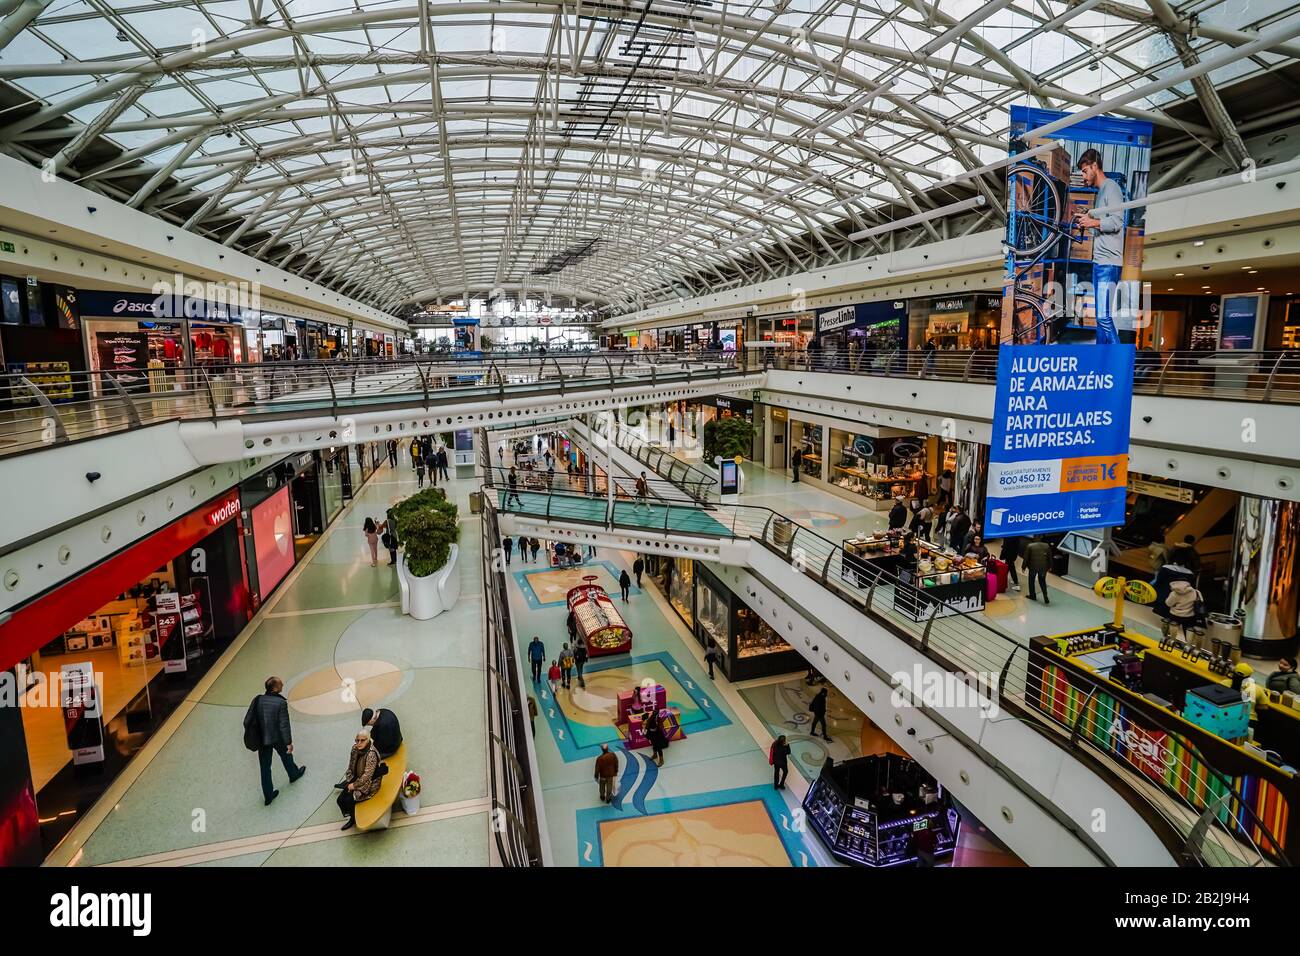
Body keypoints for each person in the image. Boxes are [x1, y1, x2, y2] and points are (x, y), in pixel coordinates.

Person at [1073, 148, 1126, 345]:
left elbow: (1117, 222)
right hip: (1100, 263)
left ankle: (1118, 360)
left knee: (1104, 317)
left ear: (1095, 166)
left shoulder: (1111, 187)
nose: (1084, 177)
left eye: (1085, 171)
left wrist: (1093, 222)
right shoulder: (1101, 192)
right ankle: (1102, 362)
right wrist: (1087, 223)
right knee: (1100, 319)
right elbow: (1102, 230)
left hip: (1108, 264)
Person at [246, 676, 306, 806]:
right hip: (276, 738)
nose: (283, 684)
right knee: (286, 756)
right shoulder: (280, 703)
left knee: (265, 768)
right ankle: (293, 774)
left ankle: (268, 796)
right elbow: (284, 725)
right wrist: (288, 742)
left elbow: (247, 720)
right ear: (275, 688)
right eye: (280, 684)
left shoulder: (258, 699)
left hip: (262, 739)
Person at [336, 729, 381, 831]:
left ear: (368, 740)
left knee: (348, 800)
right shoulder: (355, 749)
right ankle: (352, 814)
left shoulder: (371, 754)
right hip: (356, 779)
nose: (359, 743)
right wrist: (349, 780)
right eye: (357, 740)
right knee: (340, 800)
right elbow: (351, 766)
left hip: (369, 783)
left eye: (362, 740)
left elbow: (367, 776)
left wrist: (354, 785)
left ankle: (353, 819)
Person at [1023, 535, 1054, 605]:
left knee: (1031, 581)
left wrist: (1023, 567)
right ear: (1041, 538)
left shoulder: (1030, 546)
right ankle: (1045, 596)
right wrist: (1050, 566)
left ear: (1034, 538)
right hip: (1043, 568)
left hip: (1033, 567)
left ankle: (1033, 595)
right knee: (1042, 581)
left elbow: (1026, 558)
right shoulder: (1046, 546)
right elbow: (1050, 558)